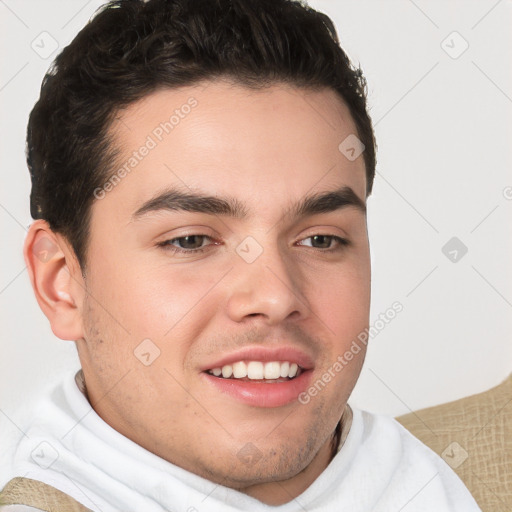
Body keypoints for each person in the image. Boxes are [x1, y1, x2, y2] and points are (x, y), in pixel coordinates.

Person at [0, 0, 481, 510]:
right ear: (61, 283)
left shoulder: (474, 469)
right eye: (190, 240)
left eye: (320, 239)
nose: (275, 296)